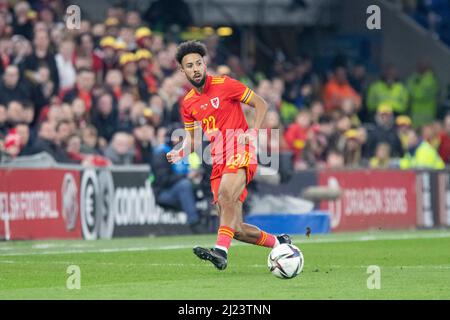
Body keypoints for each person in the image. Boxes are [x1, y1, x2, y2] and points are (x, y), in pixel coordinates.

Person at [166, 40, 292, 270]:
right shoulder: (187, 103)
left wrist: (253, 132)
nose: (195, 69)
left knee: (226, 196)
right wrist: (180, 151)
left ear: (205, 64)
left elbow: (260, 104)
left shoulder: (225, 84)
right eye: (189, 65)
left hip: (241, 150)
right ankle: (280, 242)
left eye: (198, 63)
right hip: (217, 160)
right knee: (236, 228)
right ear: (182, 71)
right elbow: (193, 140)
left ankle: (220, 253)